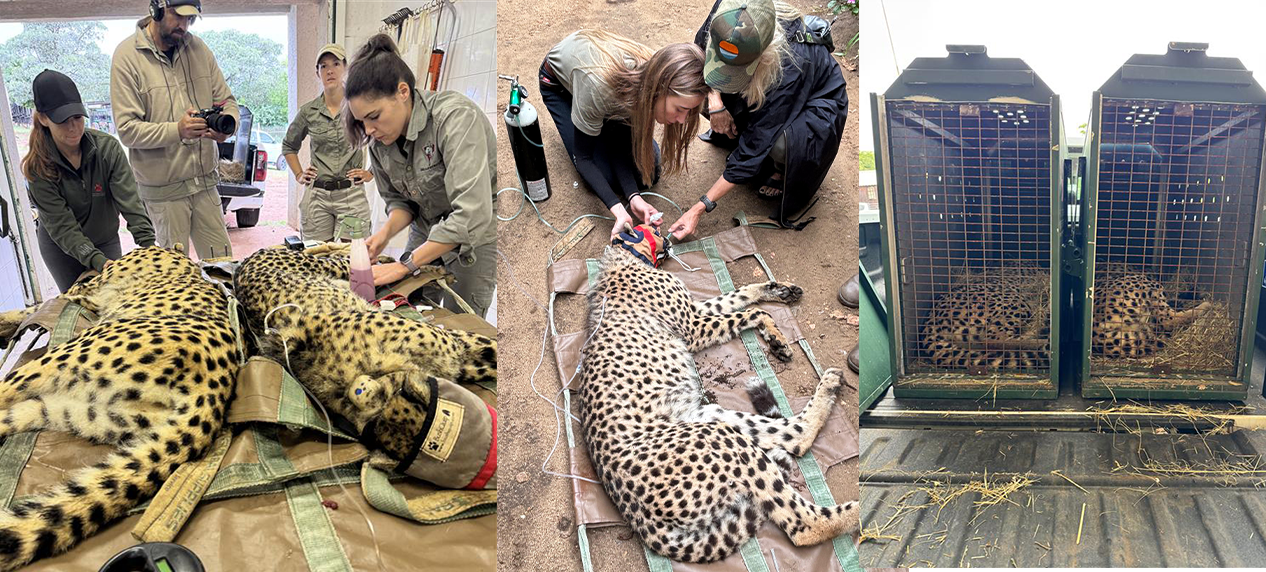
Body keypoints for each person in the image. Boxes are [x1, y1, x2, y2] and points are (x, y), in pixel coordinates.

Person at [343, 34, 497, 319]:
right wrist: (383, 236)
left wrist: (405, 265)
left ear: (403, 92)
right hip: (427, 228)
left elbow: (471, 216)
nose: (369, 130)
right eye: (361, 121)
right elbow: (404, 204)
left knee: (459, 325)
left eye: (374, 116)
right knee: (407, 308)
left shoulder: (456, 119)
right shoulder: (379, 144)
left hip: (474, 237)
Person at [670, 0, 849, 238]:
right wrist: (716, 104)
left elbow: (757, 141)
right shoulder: (729, 13)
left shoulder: (791, 63)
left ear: (763, 56)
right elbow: (700, 55)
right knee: (700, 96)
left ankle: (779, 169)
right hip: (766, 86)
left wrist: (699, 207)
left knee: (781, 144)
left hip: (814, 104)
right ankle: (740, 132)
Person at [540, 31, 709, 239]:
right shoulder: (600, 88)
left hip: (604, 92)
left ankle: (597, 126)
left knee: (648, 173)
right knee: (606, 176)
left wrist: (633, 197)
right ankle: (591, 123)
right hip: (559, 86)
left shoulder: (650, 83)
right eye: (680, 109)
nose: (682, 120)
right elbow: (583, 158)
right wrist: (618, 210)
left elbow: (619, 138)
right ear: (659, 90)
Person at [110, 0, 238, 259]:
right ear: (156, 9)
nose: (184, 25)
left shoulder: (199, 49)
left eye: (190, 19)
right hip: (164, 195)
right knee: (175, 277)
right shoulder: (126, 57)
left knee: (223, 268)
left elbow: (227, 101)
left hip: (205, 186)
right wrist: (177, 130)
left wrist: (228, 124)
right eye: (177, 16)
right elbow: (127, 130)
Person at [22, 70, 156, 292]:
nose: (73, 127)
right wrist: (97, 261)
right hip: (61, 249)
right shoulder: (37, 169)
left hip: (104, 238)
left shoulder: (107, 149)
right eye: (63, 121)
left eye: (77, 117)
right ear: (44, 119)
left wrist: (150, 246)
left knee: (114, 298)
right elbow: (62, 226)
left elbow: (131, 202)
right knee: (77, 306)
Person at [282, 43, 374, 242]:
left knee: (355, 259)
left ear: (345, 67)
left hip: (351, 195)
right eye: (323, 66)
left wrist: (371, 173)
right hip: (317, 197)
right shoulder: (309, 112)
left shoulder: (358, 106)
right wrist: (299, 174)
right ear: (317, 73)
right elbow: (289, 146)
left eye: (335, 64)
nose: (330, 70)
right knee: (317, 259)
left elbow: (383, 137)